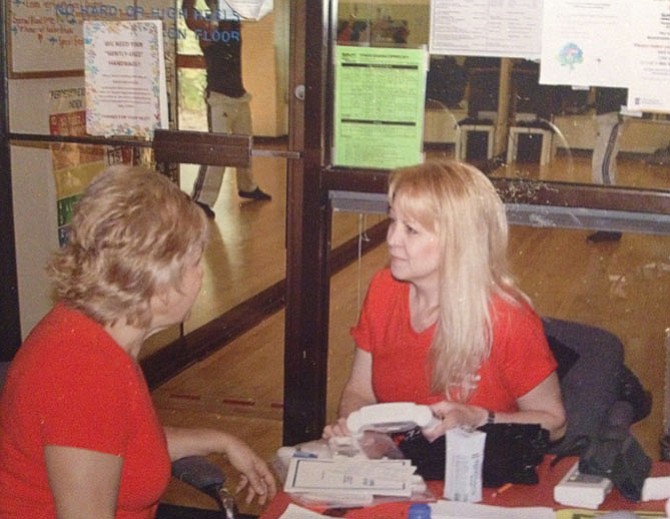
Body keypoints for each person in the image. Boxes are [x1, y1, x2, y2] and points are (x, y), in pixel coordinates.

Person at [0, 165, 276, 518]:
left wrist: (220, 441)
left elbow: (123, 445)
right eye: (194, 262)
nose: (201, 273)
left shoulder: (96, 334)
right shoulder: (81, 372)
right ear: (157, 284)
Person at [323, 159, 566, 477]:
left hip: (478, 476)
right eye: (393, 222)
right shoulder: (384, 289)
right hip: (399, 470)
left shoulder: (506, 317)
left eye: (411, 230)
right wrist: (354, 428)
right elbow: (360, 391)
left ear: (458, 241)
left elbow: (555, 422)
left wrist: (479, 417)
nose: (392, 239)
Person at [182, 0, 271, 219]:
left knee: (244, 145)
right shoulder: (206, 27)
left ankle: (247, 186)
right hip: (219, 98)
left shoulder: (233, 20)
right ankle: (201, 199)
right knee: (218, 149)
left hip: (239, 95)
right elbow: (188, 14)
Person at [588, 87, 628, 243]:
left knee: (603, 171)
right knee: (602, 170)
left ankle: (610, 225)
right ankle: (609, 223)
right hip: (607, 118)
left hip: (612, 119)